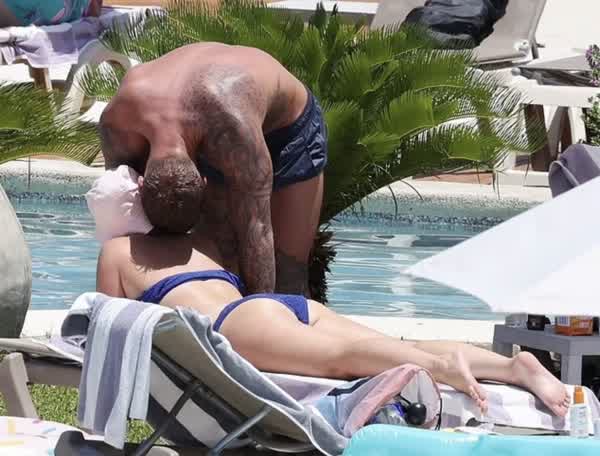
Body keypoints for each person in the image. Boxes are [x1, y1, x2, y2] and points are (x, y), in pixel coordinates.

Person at [96, 228, 571, 417]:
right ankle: (512, 367)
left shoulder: (118, 251)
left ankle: (440, 366)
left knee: (342, 361)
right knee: (387, 344)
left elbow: (109, 320)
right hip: (277, 306)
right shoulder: (201, 244)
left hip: (236, 324)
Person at [98, 43, 328, 297]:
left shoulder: (230, 130)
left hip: (288, 130)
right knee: (222, 261)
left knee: (289, 275)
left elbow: (257, 227)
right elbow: (120, 218)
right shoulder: (116, 125)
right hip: (212, 118)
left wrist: (260, 311)